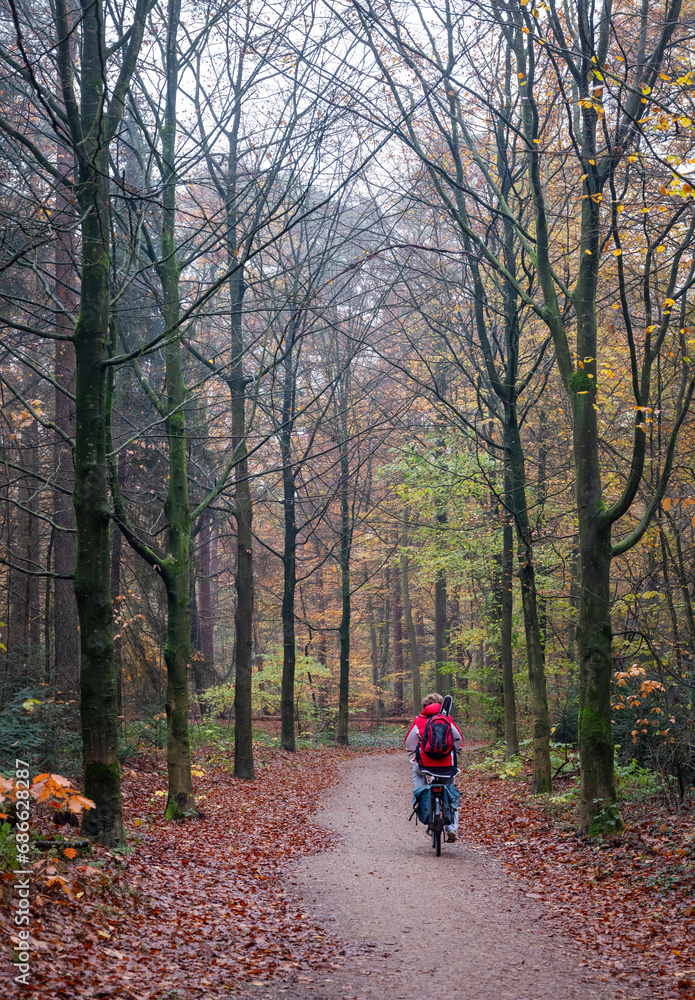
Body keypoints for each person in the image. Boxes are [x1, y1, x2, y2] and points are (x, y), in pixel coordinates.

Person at [405, 692, 463, 842]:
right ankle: (452, 828)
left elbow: (409, 743)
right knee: (450, 790)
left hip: (424, 765)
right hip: (446, 766)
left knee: (417, 773)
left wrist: (413, 748)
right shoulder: (447, 719)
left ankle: (423, 795)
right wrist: (456, 747)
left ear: (424, 706)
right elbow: (458, 740)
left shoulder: (419, 720)